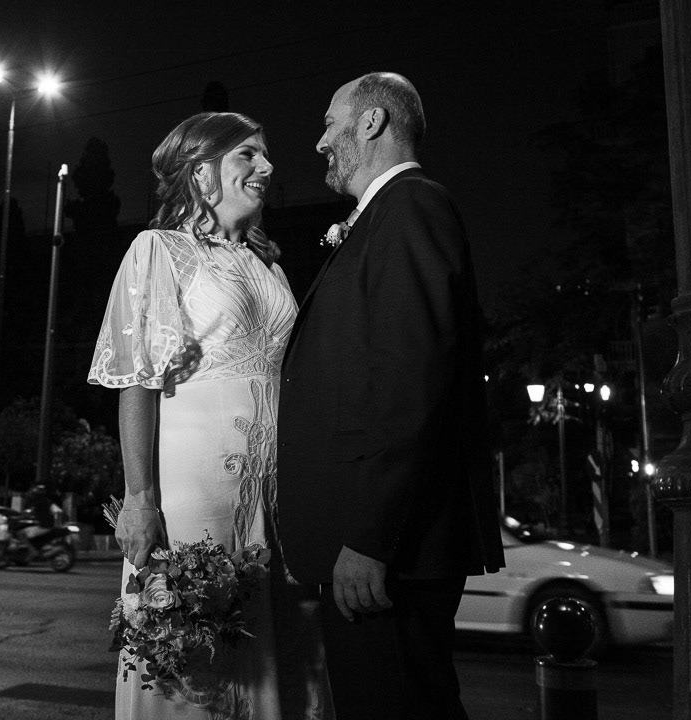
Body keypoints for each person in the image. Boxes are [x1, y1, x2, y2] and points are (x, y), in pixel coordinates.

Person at [277, 72, 506, 719]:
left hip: (388, 553)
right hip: (379, 548)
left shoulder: (410, 207)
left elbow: (411, 383)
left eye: (330, 122)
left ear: (372, 121)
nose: (320, 141)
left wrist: (370, 539)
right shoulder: (385, 217)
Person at [89, 112, 331, 719]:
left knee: (282, 653)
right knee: (199, 660)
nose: (266, 167)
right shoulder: (159, 251)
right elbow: (138, 380)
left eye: (264, 154)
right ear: (201, 172)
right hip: (195, 494)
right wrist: (140, 498)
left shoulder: (268, 265)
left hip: (275, 498)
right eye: (247, 154)